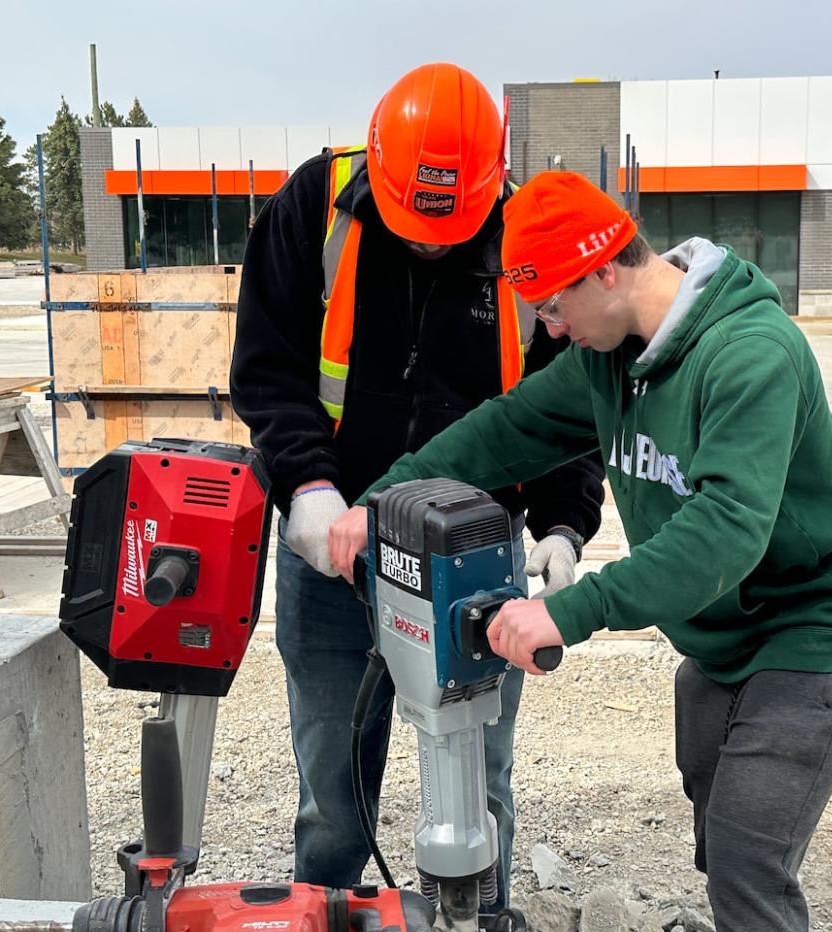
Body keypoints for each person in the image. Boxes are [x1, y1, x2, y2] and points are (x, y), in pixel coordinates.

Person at [338, 171, 832, 932]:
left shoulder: (750, 353)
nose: (554, 330)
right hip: (722, 638)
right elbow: (507, 430)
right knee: (715, 819)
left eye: (553, 305)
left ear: (605, 267)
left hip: (816, 629)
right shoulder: (612, 358)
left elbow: (727, 528)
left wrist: (570, 611)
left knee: (747, 862)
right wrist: (380, 501)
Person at [229, 66, 604, 905]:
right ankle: (325, 907)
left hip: (472, 559)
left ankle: (482, 916)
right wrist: (310, 488)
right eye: (415, 226)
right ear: (378, 166)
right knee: (333, 786)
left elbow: (570, 402)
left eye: (451, 227)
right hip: (337, 553)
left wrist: (562, 525)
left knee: (476, 775)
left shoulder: (522, 236)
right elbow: (266, 371)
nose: (432, 243)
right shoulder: (311, 210)